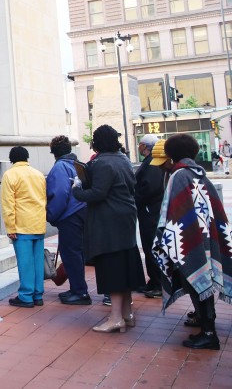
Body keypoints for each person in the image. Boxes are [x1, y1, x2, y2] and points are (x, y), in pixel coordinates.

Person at [151, 134, 232, 350]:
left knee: (196, 283)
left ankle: (208, 333)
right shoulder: (199, 174)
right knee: (202, 282)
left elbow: (171, 213)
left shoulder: (179, 176)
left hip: (190, 241)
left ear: (172, 154)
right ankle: (205, 323)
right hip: (205, 237)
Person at [72, 124, 145, 332]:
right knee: (126, 267)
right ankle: (126, 314)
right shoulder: (123, 159)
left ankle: (115, 318)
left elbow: (97, 193)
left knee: (112, 268)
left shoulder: (102, 163)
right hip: (127, 219)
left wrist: (76, 191)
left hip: (108, 223)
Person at [45, 135, 90, 305]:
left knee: (70, 253)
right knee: (76, 253)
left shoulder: (60, 167)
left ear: (53, 152)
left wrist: (51, 215)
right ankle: (76, 288)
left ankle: (80, 292)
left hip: (69, 215)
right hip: (81, 212)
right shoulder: (77, 165)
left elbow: (60, 194)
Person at [1, 146, 47, 308]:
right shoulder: (38, 174)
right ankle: (38, 294)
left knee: (25, 262)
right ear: (27, 158)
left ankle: (26, 296)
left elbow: (8, 203)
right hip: (38, 223)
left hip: (21, 225)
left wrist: (10, 227)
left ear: (11, 159)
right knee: (37, 261)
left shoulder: (10, 175)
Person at [134, 134, 164, 298]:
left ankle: (157, 283)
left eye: (140, 145)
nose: (139, 147)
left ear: (144, 145)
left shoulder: (153, 162)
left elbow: (149, 187)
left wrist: (136, 197)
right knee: (149, 246)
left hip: (150, 211)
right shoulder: (151, 161)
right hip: (149, 210)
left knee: (151, 247)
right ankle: (154, 281)